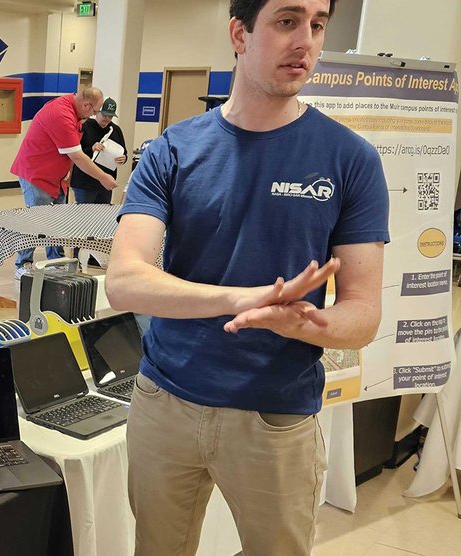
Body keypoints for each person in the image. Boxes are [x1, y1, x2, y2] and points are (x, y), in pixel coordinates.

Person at [105, 1, 388, 554]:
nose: (306, 41)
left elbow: (363, 315)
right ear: (239, 33)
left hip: (275, 414)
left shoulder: (350, 159)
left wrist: (299, 323)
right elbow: (125, 281)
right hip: (166, 400)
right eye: (287, 21)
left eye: (318, 24)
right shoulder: (172, 150)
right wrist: (243, 298)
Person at [10, 87, 119, 279]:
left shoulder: (74, 112)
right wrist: (103, 177)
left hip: (57, 178)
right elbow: (77, 156)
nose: (93, 116)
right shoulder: (61, 114)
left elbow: (70, 150)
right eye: (94, 112)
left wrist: (67, 172)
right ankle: (23, 264)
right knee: (35, 221)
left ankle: (56, 261)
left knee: (57, 221)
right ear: (87, 105)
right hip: (36, 174)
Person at [70, 96, 127, 205]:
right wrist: (91, 149)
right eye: (104, 115)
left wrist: (123, 158)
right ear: (96, 112)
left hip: (106, 182)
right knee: (83, 213)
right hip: (85, 182)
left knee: (102, 213)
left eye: (110, 116)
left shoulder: (115, 130)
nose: (107, 119)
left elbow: (124, 152)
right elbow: (73, 152)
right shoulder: (84, 126)